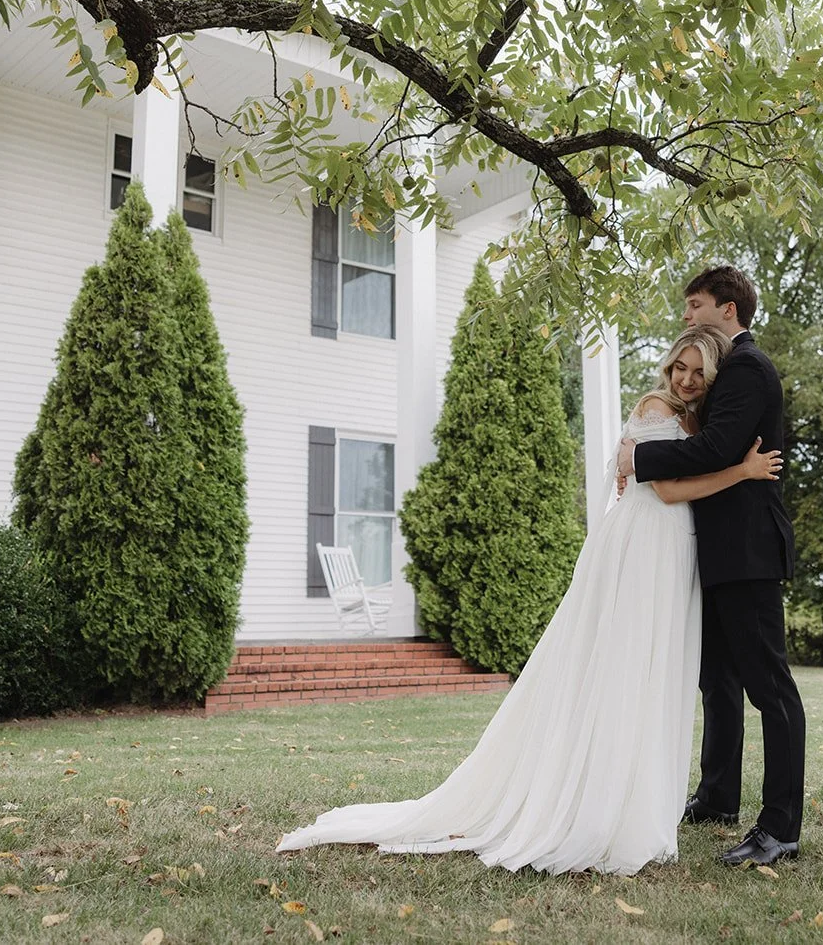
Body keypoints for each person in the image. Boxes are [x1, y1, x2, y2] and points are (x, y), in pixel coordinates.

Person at [275, 325, 781, 875]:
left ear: (710, 375)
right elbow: (665, 488)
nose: (684, 378)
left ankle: (633, 796)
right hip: (644, 544)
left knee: (654, 671)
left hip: (673, 550)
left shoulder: (695, 420)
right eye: (678, 367)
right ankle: (598, 804)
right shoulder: (656, 406)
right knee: (626, 662)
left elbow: (670, 466)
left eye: (696, 371)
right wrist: (743, 471)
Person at [617, 265, 804, 867]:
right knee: (717, 683)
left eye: (694, 304)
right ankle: (718, 797)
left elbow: (720, 449)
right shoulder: (727, 369)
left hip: (747, 550)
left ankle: (780, 827)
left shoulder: (747, 367)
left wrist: (638, 453)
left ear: (728, 309)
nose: (686, 316)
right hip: (717, 550)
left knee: (768, 688)